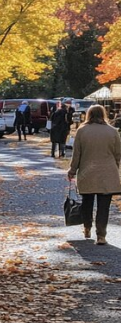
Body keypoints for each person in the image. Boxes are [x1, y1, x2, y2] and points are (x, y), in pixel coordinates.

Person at [68, 105, 121, 245]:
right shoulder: (113, 131)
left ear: (89, 114)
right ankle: (101, 235)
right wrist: (116, 168)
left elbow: (77, 155)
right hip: (108, 173)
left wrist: (72, 170)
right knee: (104, 206)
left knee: (87, 202)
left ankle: (87, 227)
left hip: (87, 172)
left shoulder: (82, 131)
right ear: (103, 114)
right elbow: (118, 154)